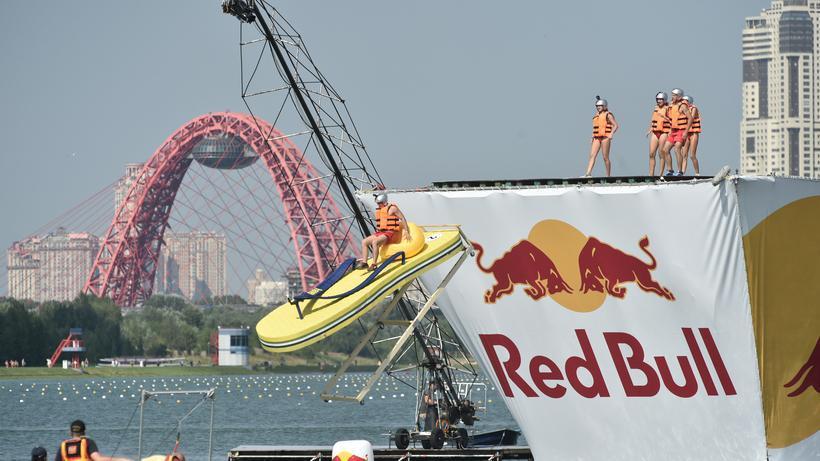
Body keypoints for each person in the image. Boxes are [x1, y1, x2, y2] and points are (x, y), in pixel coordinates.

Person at [357, 193, 410, 270]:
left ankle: (374, 264)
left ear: (384, 202)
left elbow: (402, 218)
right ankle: (364, 263)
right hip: (381, 232)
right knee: (364, 242)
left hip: (390, 233)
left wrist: (407, 231)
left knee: (375, 242)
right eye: (377, 203)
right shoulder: (380, 210)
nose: (378, 205)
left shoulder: (392, 208)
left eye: (379, 203)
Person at [55, 419, 132, 461]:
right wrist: (121, 459)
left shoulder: (63, 446)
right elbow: (98, 459)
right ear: (84, 432)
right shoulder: (88, 442)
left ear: (70, 432)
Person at [584, 97, 619, 177]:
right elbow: (596, 128)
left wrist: (611, 134)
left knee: (605, 157)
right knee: (592, 155)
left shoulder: (608, 115)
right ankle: (588, 173)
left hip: (605, 137)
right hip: (597, 137)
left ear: (604, 106)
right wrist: (592, 137)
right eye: (597, 106)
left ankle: (608, 175)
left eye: (600, 106)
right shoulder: (596, 116)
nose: (598, 107)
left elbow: (616, 125)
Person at [661, 88, 692, 176]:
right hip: (673, 131)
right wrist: (670, 130)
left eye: (674, 95)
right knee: (665, 150)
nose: (672, 97)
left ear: (679, 96)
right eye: (672, 95)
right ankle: (670, 170)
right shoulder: (671, 106)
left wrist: (686, 132)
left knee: (677, 148)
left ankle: (680, 171)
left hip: (681, 131)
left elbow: (690, 118)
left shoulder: (683, 106)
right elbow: (672, 119)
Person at [646, 92, 671, 176]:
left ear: (664, 100)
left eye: (661, 99)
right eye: (658, 99)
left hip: (664, 132)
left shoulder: (668, 109)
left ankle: (660, 174)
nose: (659, 101)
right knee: (651, 153)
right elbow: (653, 120)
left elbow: (672, 121)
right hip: (655, 131)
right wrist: (650, 129)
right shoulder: (656, 109)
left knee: (661, 153)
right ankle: (651, 174)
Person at [682, 95, 701, 175]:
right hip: (687, 134)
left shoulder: (694, 108)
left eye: (684, 101)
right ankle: (682, 173)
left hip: (693, 133)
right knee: (684, 155)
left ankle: (697, 173)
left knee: (692, 155)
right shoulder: (683, 109)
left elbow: (691, 118)